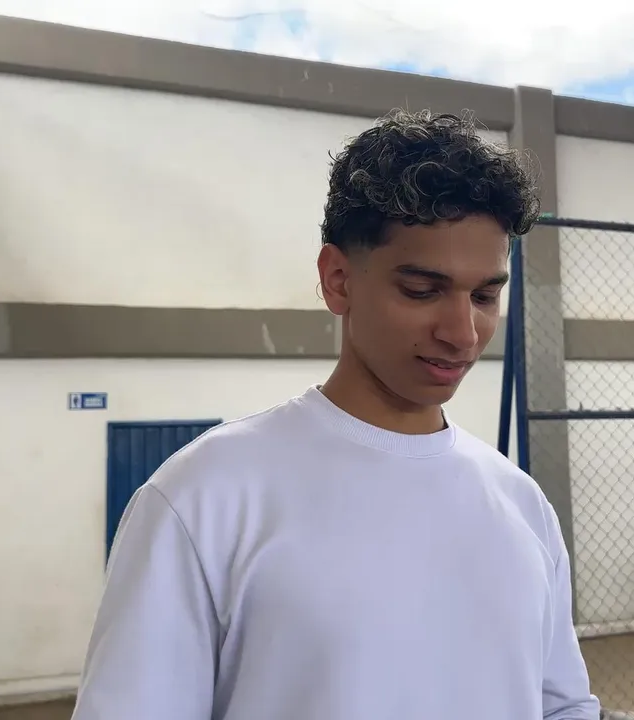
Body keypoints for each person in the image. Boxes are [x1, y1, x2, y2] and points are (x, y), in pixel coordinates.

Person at [70, 109, 600, 720]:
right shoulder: (203, 498)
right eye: (422, 290)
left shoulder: (523, 505)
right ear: (338, 280)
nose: (463, 332)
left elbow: (563, 706)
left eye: (485, 295)